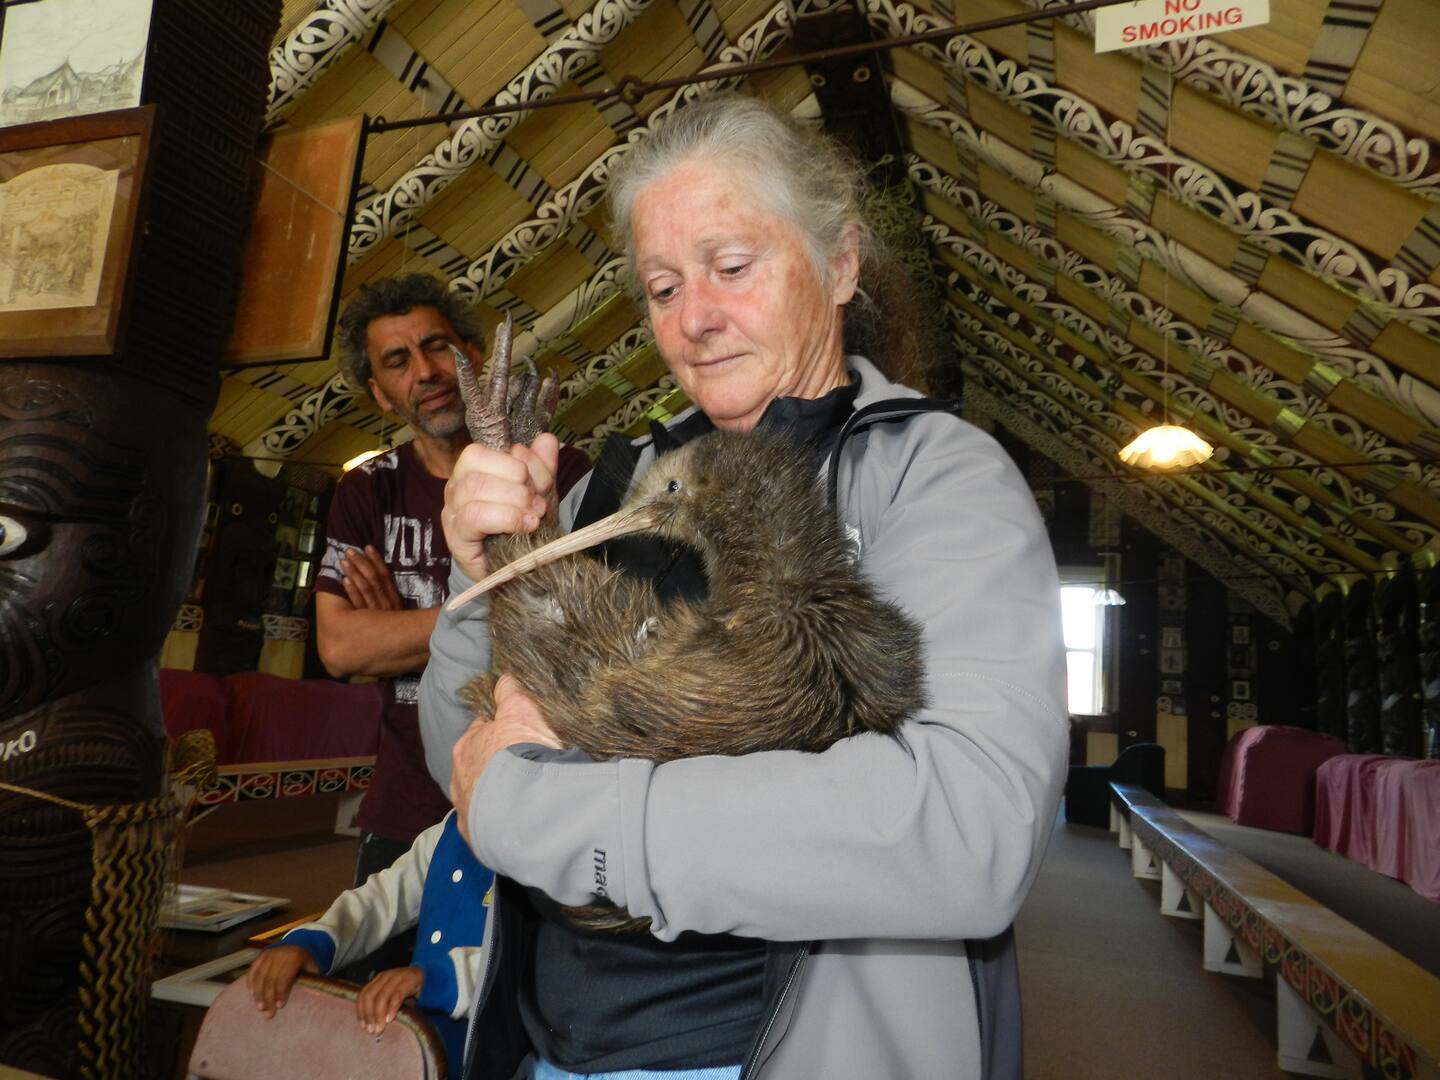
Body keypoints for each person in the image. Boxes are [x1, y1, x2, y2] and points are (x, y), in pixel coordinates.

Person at [420, 95, 1069, 1080]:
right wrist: (485, 574)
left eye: (731, 267)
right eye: (662, 286)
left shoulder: (934, 479)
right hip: (549, 1051)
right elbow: (465, 761)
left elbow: (969, 829)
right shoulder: (615, 487)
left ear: (839, 263)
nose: (694, 320)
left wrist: (557, 819)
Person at [317, 272, 590, 889]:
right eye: (397, 361)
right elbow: (339, 648)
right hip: (405, 805)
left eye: (437, 347)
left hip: (537, 788)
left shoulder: (556, 473)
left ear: (474, 358)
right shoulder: (367, 491)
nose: (425, 372)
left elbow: (576, 628)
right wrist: (489, 605)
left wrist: (397, 628)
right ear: (380, 394)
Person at [245, 809, 495, 1074]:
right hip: (419, 1046)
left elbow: (520, 966)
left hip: (491, 1056)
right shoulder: (447, 831)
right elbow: (379, 899)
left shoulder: (525, 851)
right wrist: (312, 942)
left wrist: (436, 979)